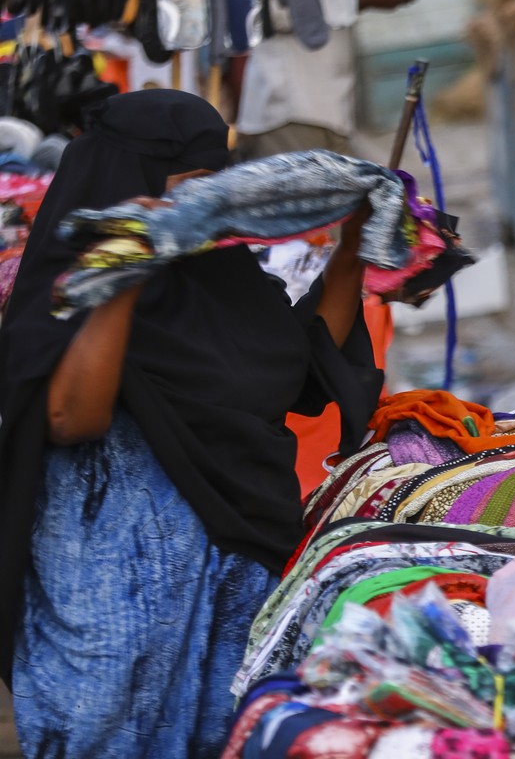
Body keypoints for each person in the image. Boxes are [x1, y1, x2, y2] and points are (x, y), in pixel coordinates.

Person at [0, 91, 381, 756]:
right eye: (190, 187)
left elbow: (295, 364)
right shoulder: (68, 285)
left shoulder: (220, 276)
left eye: (216, 185)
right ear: (133, 181)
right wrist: (125, 267)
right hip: (110, 595)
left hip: (233, 571)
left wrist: (354, 242)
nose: (205, 206)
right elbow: (71, 417)